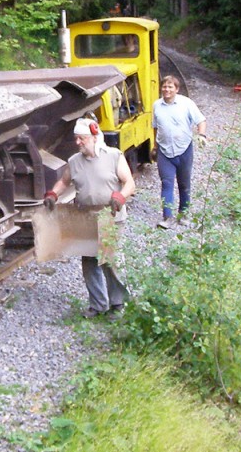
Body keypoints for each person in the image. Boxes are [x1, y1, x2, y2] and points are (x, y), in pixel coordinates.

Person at [43, 117, 135, 318]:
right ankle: (97, 304)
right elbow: (64, 181)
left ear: (94, 136)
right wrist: (53, 194)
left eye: (81, 139)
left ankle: (117, 304)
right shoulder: (74, 161)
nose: (78, 143)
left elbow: (129, 183)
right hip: (86, 216)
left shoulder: (113, 156)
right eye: (76, 139)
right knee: (89, 261)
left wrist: (120, 196)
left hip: (110, 215)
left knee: (109, 260)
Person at [151, 75, 206, 229]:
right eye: (164, 87)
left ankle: (183, 214)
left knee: (184, 184)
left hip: (184, 150)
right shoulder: (156, 105)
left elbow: (201, 120)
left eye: (170, 87)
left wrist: (201, 135)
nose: (166, 90)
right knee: (166, 183)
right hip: (164, 151)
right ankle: (167, 217)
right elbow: (156, 127)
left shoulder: (186, 104)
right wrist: (155, 146)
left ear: (176, 89)